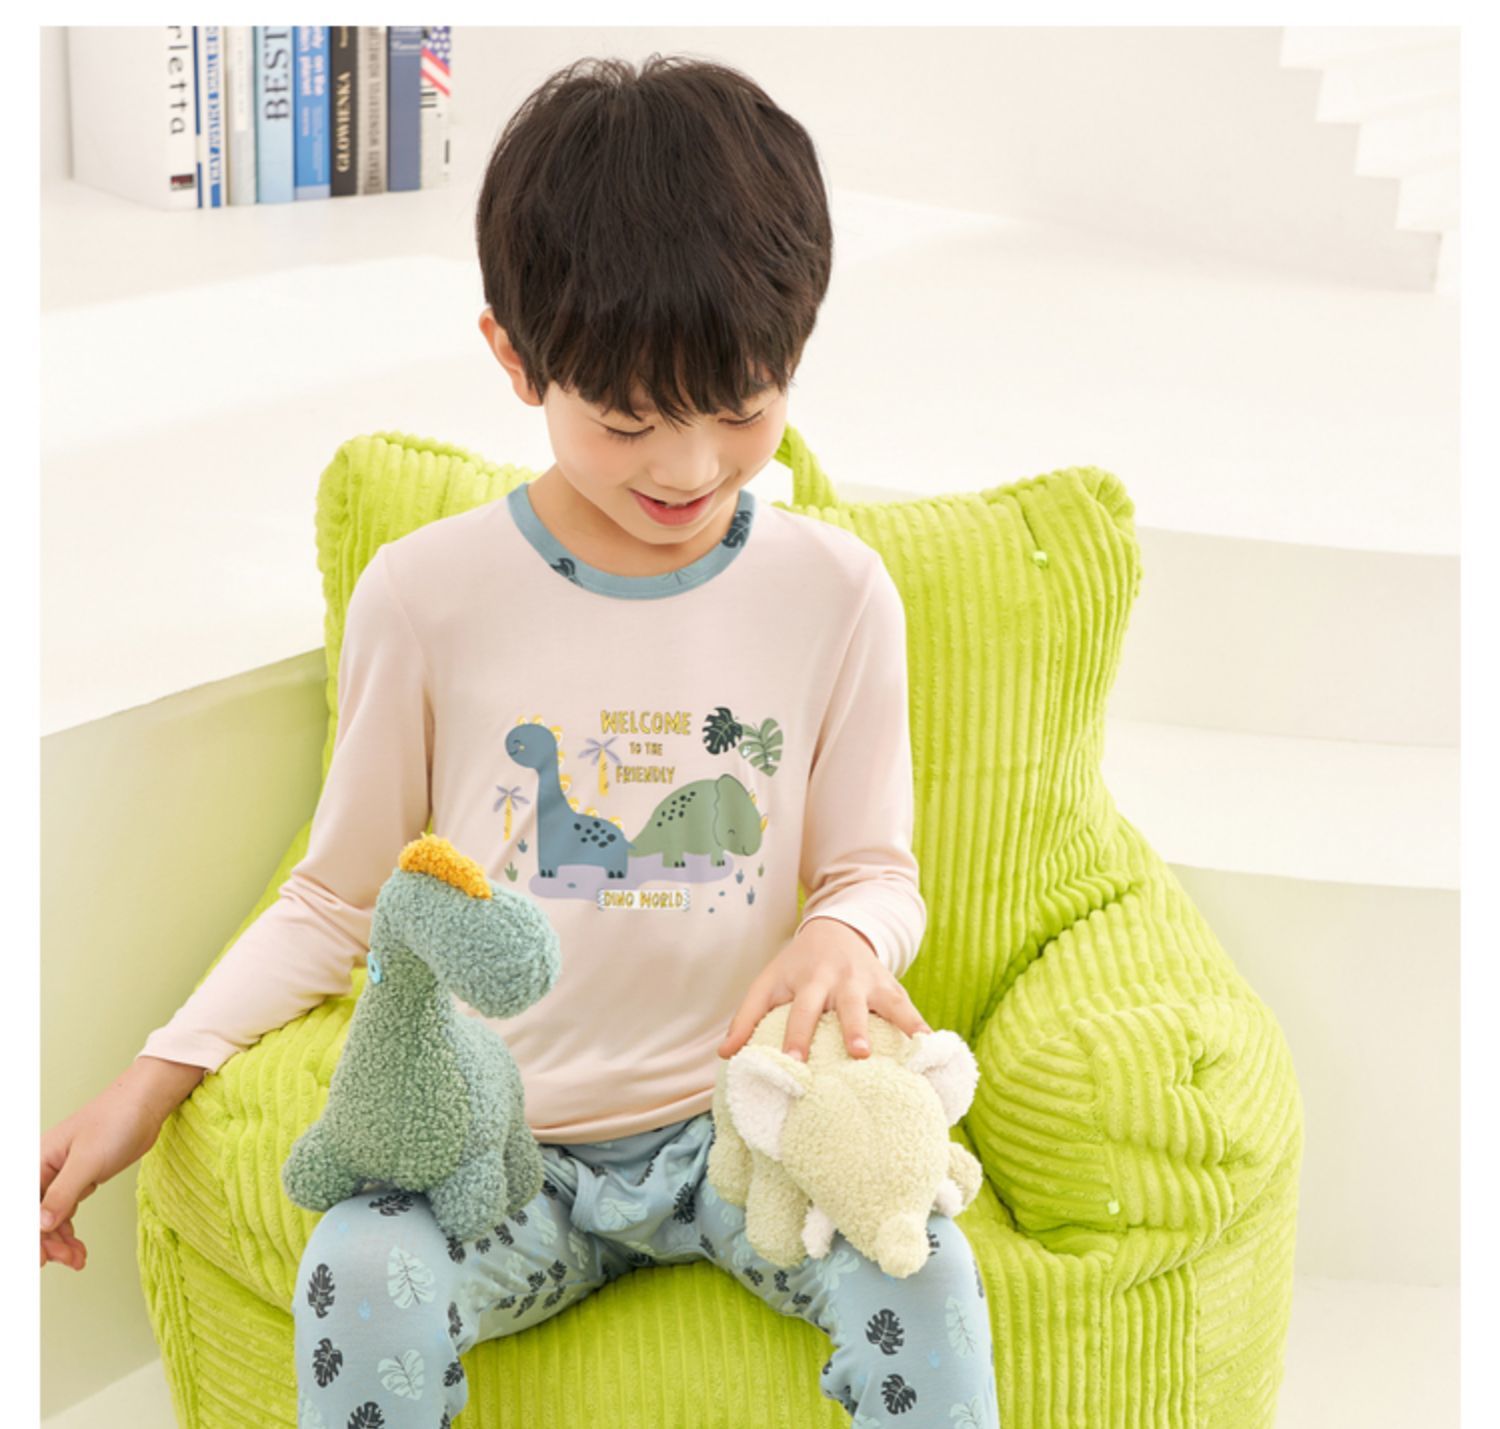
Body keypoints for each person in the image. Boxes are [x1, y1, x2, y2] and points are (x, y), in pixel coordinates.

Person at [40, 53, 999, 1428]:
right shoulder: (427, 598)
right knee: (355, 1265)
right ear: (513, 356)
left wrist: (847, 936)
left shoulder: (836, 593)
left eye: (742, 409)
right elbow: (340, 898)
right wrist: (153, 1077)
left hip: (746, 1127)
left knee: (927, 1269)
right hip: (496, 1145)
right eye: (628, 420)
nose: (688, 468)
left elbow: (873, 872)